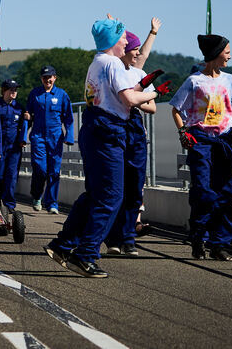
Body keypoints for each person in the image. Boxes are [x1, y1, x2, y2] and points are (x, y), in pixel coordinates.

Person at [44, 18, 159, 278]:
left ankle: (62, 245)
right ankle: (85, 255)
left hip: (95, 127)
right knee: (111, 196)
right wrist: (153, 93)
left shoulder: (98, 61)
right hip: (108, 131)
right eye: (122, 38)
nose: (125, 42)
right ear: (112, 42)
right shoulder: (112, 63)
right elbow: (129, 99)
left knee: (95, 194)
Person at [170, 34, 232, 261]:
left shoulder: (229, 80)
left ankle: (219, 244)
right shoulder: (194, 81)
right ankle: (198, 238)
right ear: (215, 53)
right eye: (227, 51)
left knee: (227, 191)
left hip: (224, 140)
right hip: (201, 140)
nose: (229, 56)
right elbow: (175, 109)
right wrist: (183, 132)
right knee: (204, 192)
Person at [103, 31, 170, 256]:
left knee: (134, 189)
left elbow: (152, 107)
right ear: (123, 49)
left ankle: (129, 238)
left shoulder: (140, 73)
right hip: (115, 131)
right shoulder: (112, 70)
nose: (138, 53)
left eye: (139, 49)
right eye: (135, 48)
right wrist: (135, 95)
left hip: (135, 133)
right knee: (116, 188)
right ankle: (113, 238)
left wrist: (137, 99)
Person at [25, 65, 74, 214]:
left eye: (50, 77)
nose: (48, 80)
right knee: (40, 168)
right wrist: (23, 137)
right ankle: (37, 195)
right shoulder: (35, 94)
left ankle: (52, 203)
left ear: (55, 78)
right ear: (41, 79)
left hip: (55, 137)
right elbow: (27, 116)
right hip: (38, 136)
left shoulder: (62, 95)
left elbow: (69, 118)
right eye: (45, 77)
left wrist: (69, 136)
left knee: (54, 171)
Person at [0, 79, 28, 212]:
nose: (14, 92)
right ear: (4, 90)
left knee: (11, 175)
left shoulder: (19, 108)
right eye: (11, 89)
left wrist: (28, 119)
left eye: (15, 90)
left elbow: (24, 126)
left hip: (14, 148)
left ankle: (9, 204)